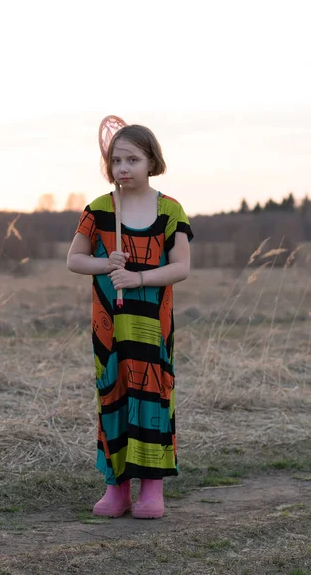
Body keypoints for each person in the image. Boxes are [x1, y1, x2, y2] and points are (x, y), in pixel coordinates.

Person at [67, 123, 193, 518]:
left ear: (152, 162)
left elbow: (182, 268)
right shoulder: (100, 210)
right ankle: (116, 488)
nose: (123, 167)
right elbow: (74, 259)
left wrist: (138, 277)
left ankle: (152, 490)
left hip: (154, 326)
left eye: (132, 160)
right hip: (110, 325)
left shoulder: (169, 209)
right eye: (116, 160)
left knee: (153, 398)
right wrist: (107, 264)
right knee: (114, 396)